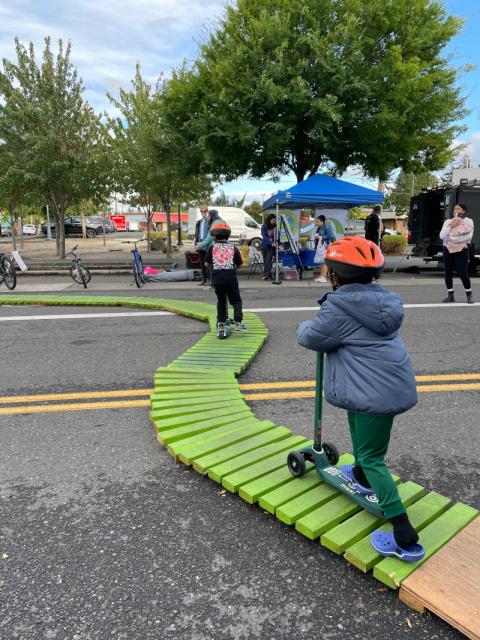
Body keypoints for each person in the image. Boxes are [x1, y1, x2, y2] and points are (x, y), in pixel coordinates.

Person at [296, 236, 424, 563]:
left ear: (337, 275)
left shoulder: (339, 306)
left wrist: (303, 325)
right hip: (380, 385)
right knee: (364, 437)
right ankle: (363, 478)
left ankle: (404, 534)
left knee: (371, 456)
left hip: (373, 389)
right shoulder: (383, 302)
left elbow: (313, 337)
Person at [204, 221, 247, 337]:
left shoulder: (212, 247)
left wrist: (215, 267)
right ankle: (238, 322)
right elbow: (240, 264)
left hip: (217, 279)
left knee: (221, 302)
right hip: (230, 279)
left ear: (215, 237)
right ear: (228, 236)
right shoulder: (233, 248)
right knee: (236, 301)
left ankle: (221, 324)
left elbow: (206, 264)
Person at [439, 203, 474, 304]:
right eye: (454, 209)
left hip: (462, 250)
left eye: (458, 209)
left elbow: (467, 237)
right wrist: (450, 227)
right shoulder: (448, 221)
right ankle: (450, 295)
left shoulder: (468, 221)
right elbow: (442, 235)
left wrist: (451, 238)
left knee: (462, 273)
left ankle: (469, 294)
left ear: (463, 211)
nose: (455, 210)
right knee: (447, 272)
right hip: (447, 249)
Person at [312, 215, 336, 283]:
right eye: (316, 222)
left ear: (322, 221)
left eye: (317, 222)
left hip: (327, 245)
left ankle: (324, 277)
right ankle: (321, 276)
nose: (316, 223)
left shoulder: (327, 226)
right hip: (322, 246)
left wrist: (320, 237)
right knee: (322, 261)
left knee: (325, 261)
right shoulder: (320, 227)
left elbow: (330, 236)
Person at [194, 205, 210, 285]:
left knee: (207, 263)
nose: (203, 213)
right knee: (202, 264)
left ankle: (209, 280)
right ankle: (204, 279)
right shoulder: (199, 222)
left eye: (205, 211)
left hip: (207, 245)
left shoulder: (210, 221)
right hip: (200, 244)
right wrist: (195, 244)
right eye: (201, 211)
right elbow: (196, 234)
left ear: (207, 211)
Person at [260, 213, 277, 280]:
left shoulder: (275, 226)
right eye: (273, 220)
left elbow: (277, 236)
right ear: (269, 220)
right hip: (265, 246)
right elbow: (264, 236)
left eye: (275, 220)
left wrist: (276, 243)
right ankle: (266, 275)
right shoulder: (264, 226)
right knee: (265, 261)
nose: (274, 222)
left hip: (272, 247)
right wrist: (271, 242)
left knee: (268, 260)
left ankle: (268, 275)